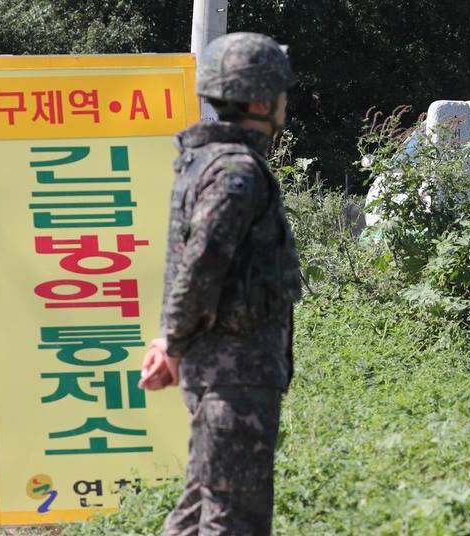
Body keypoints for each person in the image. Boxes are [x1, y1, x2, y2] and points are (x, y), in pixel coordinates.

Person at [138, 32, 302, 535]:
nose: (285, 101)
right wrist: (173, 341)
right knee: (234, 521)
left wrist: (175, 340)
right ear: (260, 100)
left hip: (224, 372)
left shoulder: (206, 161)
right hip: (235, 376)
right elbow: (202, 261)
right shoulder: (237, 170)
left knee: (198, 511)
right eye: (280, 90)